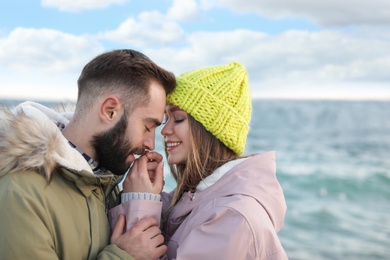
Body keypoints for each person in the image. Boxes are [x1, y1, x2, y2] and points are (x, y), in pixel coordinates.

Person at [0, 49, 176, 259]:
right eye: (148, 127)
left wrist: (136, 198)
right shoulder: (19, 193)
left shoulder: (103, 184)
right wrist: (122, 257)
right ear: (110, 110)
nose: (150, 144)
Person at [110, 62, 288, 259]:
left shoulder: (233, 218)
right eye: (166, 118)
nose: (165, 130)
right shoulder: (190, 200)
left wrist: (141, 203)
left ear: (210, 130)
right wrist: (144, 196)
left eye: (177, 119)